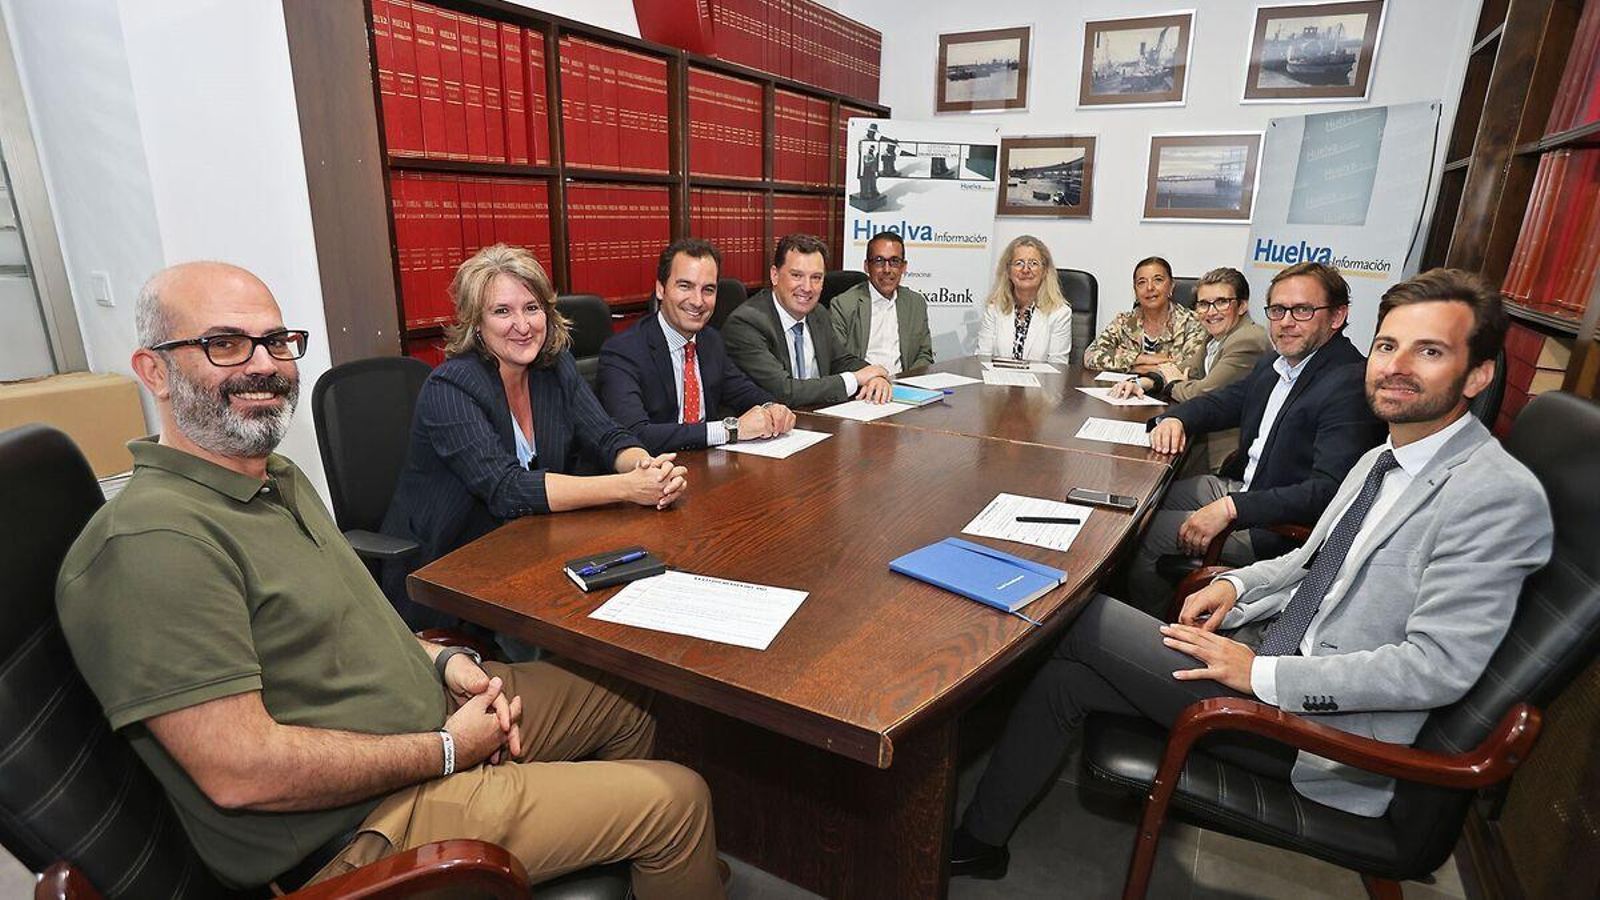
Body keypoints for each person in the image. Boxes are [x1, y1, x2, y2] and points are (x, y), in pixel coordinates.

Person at [55, 261, 725, 897]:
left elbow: (351, 628)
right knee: (679, 800)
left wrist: (444, 663)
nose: (263, 364)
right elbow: (241, 773)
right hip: (360, 826)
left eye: (276, 341)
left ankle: (598, 850)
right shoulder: (153, 541)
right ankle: (629, 838)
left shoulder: (274, 481)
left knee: (628, 697)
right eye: (225, 343)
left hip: (425, 719)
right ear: (155, 372)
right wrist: (444, 752)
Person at [950, 268, 1552, 881]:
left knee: (1076, 612)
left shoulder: (1496, 494)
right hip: (1266, 650)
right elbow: (1314, 563)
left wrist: (1258, 671)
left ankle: (950, 702)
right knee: (1068, 676)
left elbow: (1434, 668)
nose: (1396, 366)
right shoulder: (1386, 455)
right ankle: (980, 839)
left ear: (1478, 374)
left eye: (1430, 351)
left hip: (1316, 730)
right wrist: (1234, 586)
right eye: (1388, 346)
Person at [380, 244, 687, 627]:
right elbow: (508, 489)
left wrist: (648, 468)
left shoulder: (553, 367)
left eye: (531, 308)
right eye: (502, 311)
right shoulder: (450, 388)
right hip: (447, 570)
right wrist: (627, 487)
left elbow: (607, 436)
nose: (523, 326)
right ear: (477, 322)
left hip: (531, 551)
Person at [1124, 261, 1385, 613]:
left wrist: (1233, 508)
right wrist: (1174, 418)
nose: (1287, 321)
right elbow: (1226, 401)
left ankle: (1148, 630)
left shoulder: (1349, 384)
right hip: (1246, 487)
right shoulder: (1278, 361)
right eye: (1278, 310)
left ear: (1337, 317)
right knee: (1143, 500)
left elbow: (1329, 492)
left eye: (1303, 310)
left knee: (1140, 536)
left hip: (1274, 527)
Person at [598, 238, 797, 454]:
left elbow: (744, 392)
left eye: (708, 290)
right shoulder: (623, 351)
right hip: (655, 473)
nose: (698, 301)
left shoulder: (710, 340)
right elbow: (634, 434)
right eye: (685, 286)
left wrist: (772, 409)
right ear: (660, 289)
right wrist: (730, 430)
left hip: (707, 466)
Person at [1109, 266, 1271, 470]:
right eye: (1203, 304)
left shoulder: (1247, 339)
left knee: (1139, 469)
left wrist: (1173, 383)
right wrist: (1143, 382)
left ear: (1242, 306)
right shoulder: (1215, 336)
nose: (1211, 312)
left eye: (1221, 302)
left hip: (1223, 452)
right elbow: (1183, 367)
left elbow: (1202, 392)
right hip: (1199, 435)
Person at [723, 233, 893, 406]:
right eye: (796, 275)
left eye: (816, 278)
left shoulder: (817, 313)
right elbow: (784, 391)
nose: (807, 288)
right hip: (770, 425)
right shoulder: (746, 323)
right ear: (775, 275)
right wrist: (855, 379)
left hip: (819, 419)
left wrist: (874, 376)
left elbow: (841, 360)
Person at [828, 230, 936, 374]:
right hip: (863, 387)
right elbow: (838, 359)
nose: (887, 269)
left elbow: (924, 354)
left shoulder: (915, 303)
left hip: (906, 387)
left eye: (894, 261)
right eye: (879, 261)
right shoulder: (843, 305)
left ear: (903, 267)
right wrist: (874, 378)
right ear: (867, 266)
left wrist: (910, 382)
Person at [1082, 256, 1207, 373]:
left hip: (1172, 394)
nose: (1150, 287)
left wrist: (1138, 368)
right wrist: (1140, 359)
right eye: (1141, 282)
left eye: (1158, 280)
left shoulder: (1192, 322)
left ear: (1171, 286)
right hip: (1125, 392)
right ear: (1135, 291)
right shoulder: (1125, 321)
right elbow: (1090, 356)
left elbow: (1191, 367)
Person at [974, 235, 1074, 364]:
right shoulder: (994, 309)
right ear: (1008, 271)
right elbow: (982, 358)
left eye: (1033, 263)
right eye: (1019, 263)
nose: (1026, 270)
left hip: (1041, 383)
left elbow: (1058, 367)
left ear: (1044, 271)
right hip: (998, 382)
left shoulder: (1060, 313)